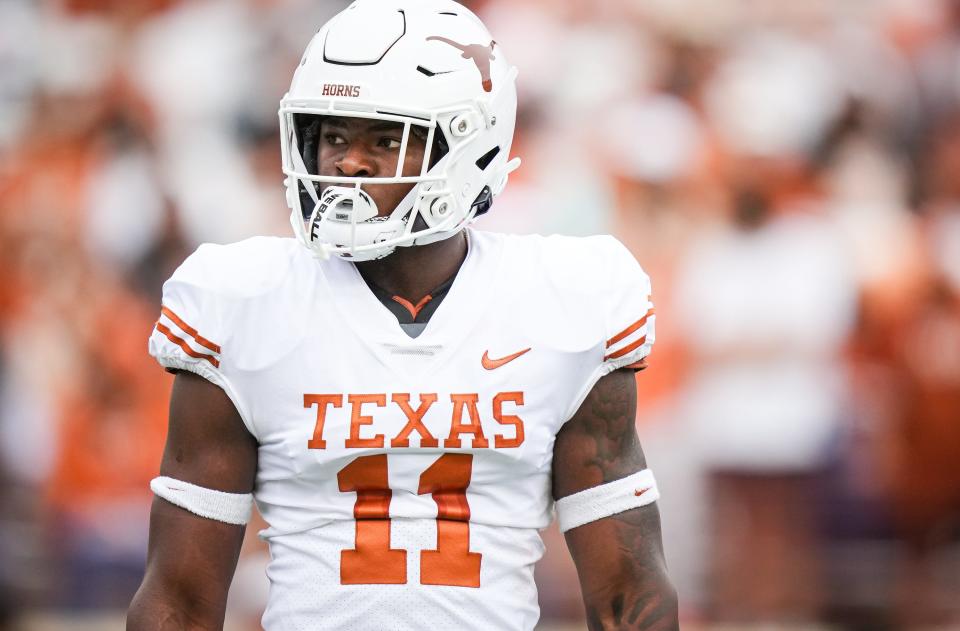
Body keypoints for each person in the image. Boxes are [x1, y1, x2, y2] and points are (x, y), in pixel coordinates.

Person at [126, 1, 677, 629]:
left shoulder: (563, 303)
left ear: (469, 143)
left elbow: (628, 591)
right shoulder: (244, 302)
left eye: (386, 139)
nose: (347, 163)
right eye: (334, 135)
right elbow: (179, 596)